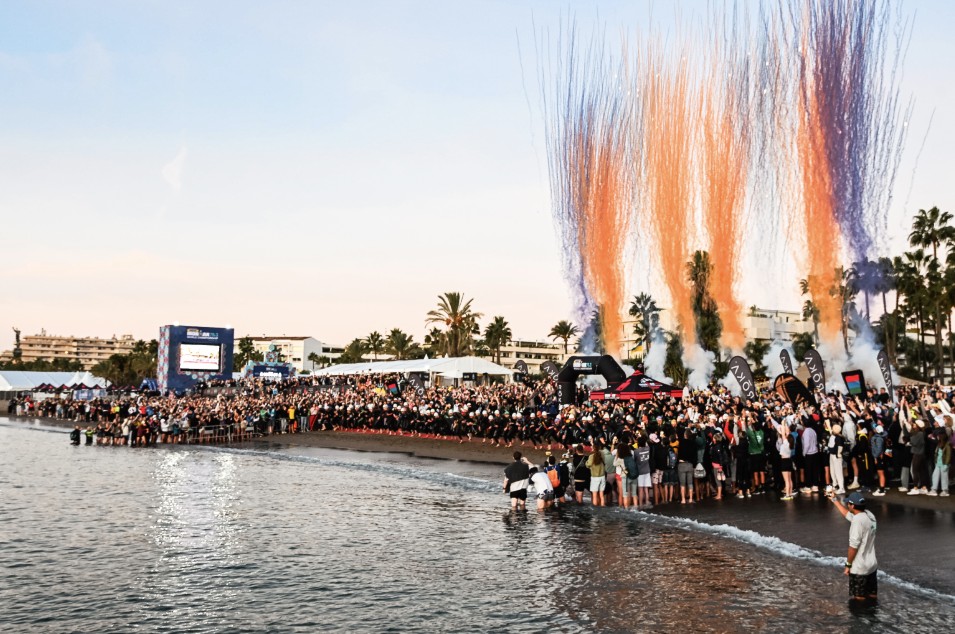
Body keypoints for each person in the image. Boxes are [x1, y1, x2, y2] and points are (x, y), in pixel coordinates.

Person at [828, 491, 878, 603]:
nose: (847, 505)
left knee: (859, 601)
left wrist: (848, 565)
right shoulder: (869, 516)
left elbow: (853, 547)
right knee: (872, 597)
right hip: (872, 565)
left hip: (860, 567)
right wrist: (834, 500)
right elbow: (848, 514)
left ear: (853, 505)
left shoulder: (857, 522)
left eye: (848, 504)